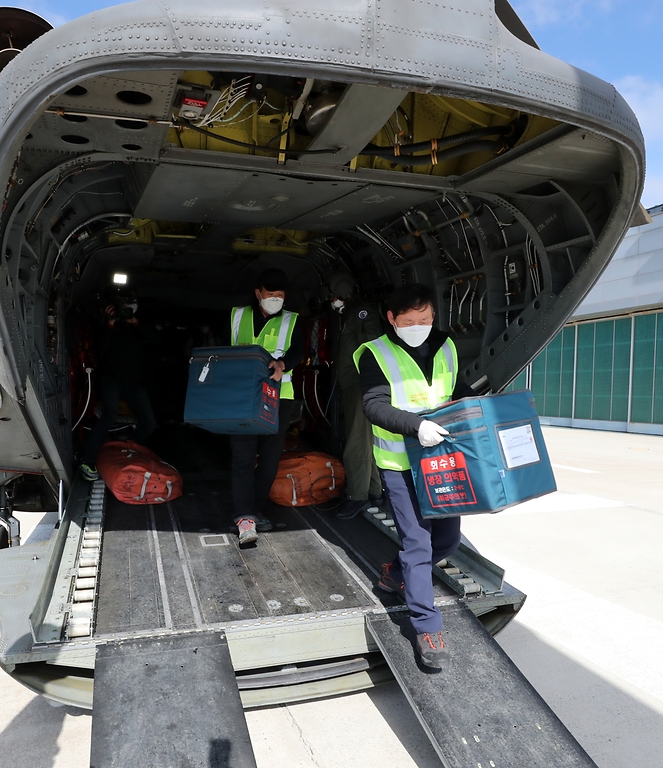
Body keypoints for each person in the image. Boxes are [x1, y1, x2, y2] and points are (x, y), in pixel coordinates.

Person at [355, 283, 473, 667]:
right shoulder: (374, 354)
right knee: (419, 543)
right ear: (391, 319)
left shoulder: (447, 346)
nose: (418, 326)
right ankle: (427, 626)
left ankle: (394, 570)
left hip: (440, 463)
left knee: (449, 539)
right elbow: (374, 405)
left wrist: (472, 402)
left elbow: (457, 388)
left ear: (434, 314)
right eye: (409, 321)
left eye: (425, 319)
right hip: (399, 466)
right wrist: (415, 425)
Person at [229, 268, 304, 546]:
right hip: (242, 396)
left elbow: (298, 351)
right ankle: (243, 515)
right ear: (258, 293)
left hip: (278, 397)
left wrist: (283, 364)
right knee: (243, 457)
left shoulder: (292, 320)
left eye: (280, 295)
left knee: (270, 459)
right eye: (270, 294)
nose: (275, 299)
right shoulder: (237, 315)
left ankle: (255, 508)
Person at [325, 271, 384, 519]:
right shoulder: (351, 313)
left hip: (361, 384)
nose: (332, 300)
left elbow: (371, 348)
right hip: (355, 383)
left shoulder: (362, 313)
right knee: (364, 442)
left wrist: (366, 384)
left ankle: (357, 497)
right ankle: (374, 492)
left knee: (356, 443)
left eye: (335, 295)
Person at [79, 292, 158, 480]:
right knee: (108, 416)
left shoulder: (140, 325)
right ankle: (87, 460)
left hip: (134, 382)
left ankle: (125, 450)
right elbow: (100, 351)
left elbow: (156, 340)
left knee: (149, 423)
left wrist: (134, 321)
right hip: (111, 379)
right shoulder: (108, 326)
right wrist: (110, 323)